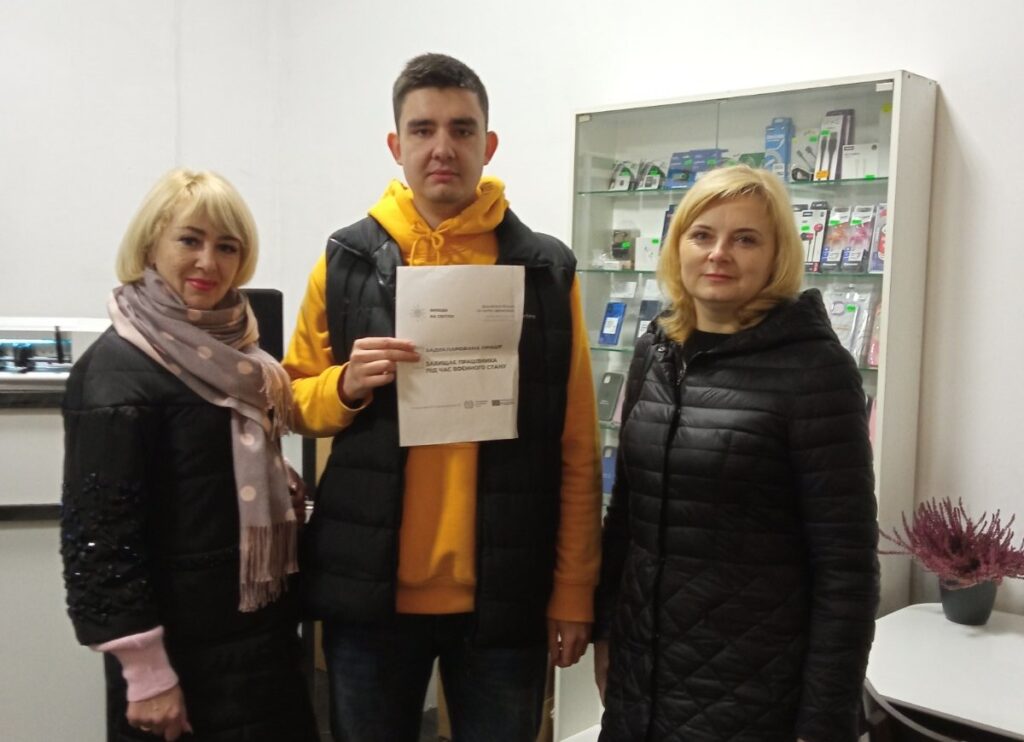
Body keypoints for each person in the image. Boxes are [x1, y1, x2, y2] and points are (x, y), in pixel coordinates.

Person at [284, 52, 601, 741]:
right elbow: (293, 400)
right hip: (369, 595)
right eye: (422, 129)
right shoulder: (345, 259)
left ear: (488, 144)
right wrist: (345, 384)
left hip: (505, 595)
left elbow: (577, 441)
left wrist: (574, 588)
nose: (442, 147)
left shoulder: (545, 269)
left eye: (462, 129)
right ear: (395, 145)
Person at [593, 165, 879, 742]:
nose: (719, 253)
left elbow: (845, 568)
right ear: (678, 246)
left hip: (756, 689)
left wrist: (824, 721)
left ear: (777, 256)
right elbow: (627, 513)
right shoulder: (656, 350)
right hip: (641, 677)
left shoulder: (815, 369)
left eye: (745, 239)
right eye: (702, 235)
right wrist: (606, 632)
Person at [60, 169, 319, 742]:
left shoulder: (242, 358)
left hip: (261, 642)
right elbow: (99, 539)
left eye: (227, 246)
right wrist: (146, 674)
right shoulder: (114, 372)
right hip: (178, 660)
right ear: (151, 243)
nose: (208, 261)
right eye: (189, 240)